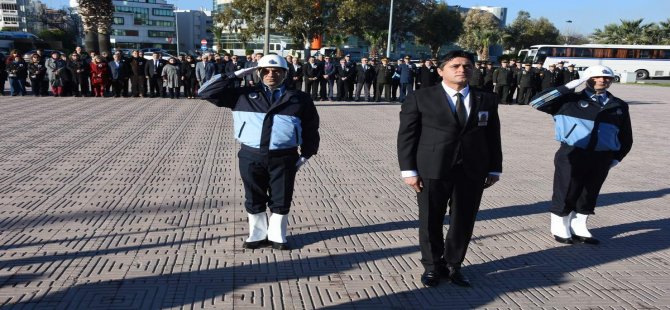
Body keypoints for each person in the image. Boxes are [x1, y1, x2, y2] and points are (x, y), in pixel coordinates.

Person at [397, 50, 502, 288]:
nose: (461, 70)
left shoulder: (486, 99)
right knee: (430, 220)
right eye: (455, 65)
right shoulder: (420, 97)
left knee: (463, 220)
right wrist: (408, 171)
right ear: (441, 70)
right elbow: (406, 137)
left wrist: (495, 168)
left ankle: (455, 265)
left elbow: (493, 135)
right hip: (432, 169)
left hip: (472, 170)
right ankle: (433, 267)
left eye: (467, 66)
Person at [198, 54, 320, 250]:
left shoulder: (299, 98)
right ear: (258, 72)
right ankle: (257, 234)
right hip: (251, 155)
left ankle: (277, 235)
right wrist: (236, 74)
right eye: (266, 70)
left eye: (277, 71)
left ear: (285, 74)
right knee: (254, 196)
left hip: (284, 156)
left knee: (281, 197)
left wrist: (306, 154)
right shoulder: (243, 94)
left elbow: (311, 127)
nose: (271, 74)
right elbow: (204, 92)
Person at [529, 65, 633, 245]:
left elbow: (625, 135)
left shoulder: (618, 105)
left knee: (589, 192)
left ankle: (579, 226)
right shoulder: (569, 100)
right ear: (587, 78)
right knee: (567, 189)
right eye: (598, 77)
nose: (603, 80)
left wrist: (617, 156)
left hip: (602, 156)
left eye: (607, 78)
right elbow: (536, 102)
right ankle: (559, 225)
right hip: (572, 153)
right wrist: (567, 87)